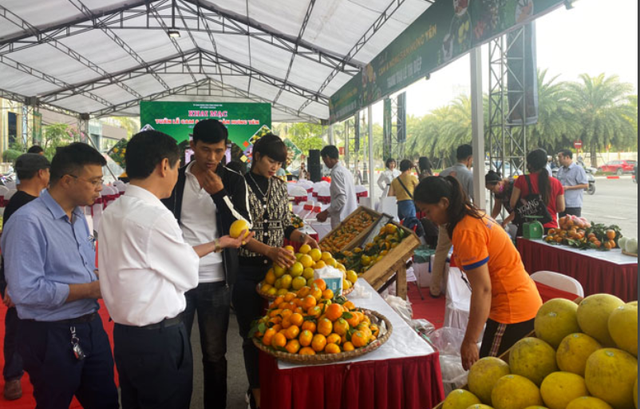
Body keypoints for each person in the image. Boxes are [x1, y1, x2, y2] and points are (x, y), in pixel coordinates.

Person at [99, 130, 250, 409]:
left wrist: (217, 243)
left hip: (126, 334)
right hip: (158, 338)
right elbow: (187, 275)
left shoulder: (113, 211)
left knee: (135, 400)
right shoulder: (157, 216)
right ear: (164, 165)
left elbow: (167, 258)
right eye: (178, 166)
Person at [0, 143, 118, 409]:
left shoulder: (77, 216)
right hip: (51, 334)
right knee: (54, 401)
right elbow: (25, 292)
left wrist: (102, 278)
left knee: (106, 400)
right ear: (67, 180)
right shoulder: (27, 222)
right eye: (95, 181)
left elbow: (78, 269)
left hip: (90, 326)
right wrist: (90, 289)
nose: (100, 187)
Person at [161, 119, 252, 409]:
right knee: (177, 353)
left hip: (216, 279)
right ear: (192, 147)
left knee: (214, 354)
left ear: (226, 149)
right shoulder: (174, 178)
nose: (212, 158)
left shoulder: (234, 179)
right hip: (179, 278)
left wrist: (220, 194)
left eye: (218, 151)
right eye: (205, 150)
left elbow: (244, 227)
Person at [414, 176, 542, 370]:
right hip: (517, 302)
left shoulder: (466, 230)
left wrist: (470, 341)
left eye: (428, 211)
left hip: (512, 309)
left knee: (487, 374)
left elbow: (482, 289)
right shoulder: (470, 215)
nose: (427, 217)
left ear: (444, 203)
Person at [234, 133, 319, 409]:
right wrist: (269, 250)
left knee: (281, 333)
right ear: (256, 156)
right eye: (271, 160)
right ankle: (256, 393)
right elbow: (236, 232)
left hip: (278, 272)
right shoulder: (239, 185)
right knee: (251, 336)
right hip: (246, 270)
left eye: (279, 163)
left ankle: (277, 393)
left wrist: (300, 236)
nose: (275, 167)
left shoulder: (280, 186)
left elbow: (284, 225)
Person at [0, 153, 50, 401]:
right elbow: (9, 248)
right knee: (17, 327)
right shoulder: (20, 204)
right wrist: (10, 284)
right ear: (41, 173)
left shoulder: (34, 200)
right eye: (48, 170)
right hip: (19, 279)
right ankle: (12, 376)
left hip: (36, 276)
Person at [429, 144, 473, 298]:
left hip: (444, 219)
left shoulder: (444, 172)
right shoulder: (469, 175)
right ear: (469, 159)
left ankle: (434, 288)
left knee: (440, 251)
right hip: (463, 220)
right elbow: (474, 201)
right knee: (466, 254)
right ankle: (464, 290)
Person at [510, 148, 565, 232]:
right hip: (550, 227)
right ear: (545, 163)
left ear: (529, 164)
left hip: (528, 227)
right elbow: (561, 208)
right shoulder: (556, 183)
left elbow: (513, 204)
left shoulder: (521, 180)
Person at [316, 145, 358, 229]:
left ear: (327, 157)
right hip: (351, 215)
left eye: (324, 160)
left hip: (342, 219)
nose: (325, 163)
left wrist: (326, 212)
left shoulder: (336, 172)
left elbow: (341, 199)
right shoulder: (346, 171)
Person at [556, 149, 588, 217]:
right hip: (562, 204)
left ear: (567, 157)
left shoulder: (578, 169)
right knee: (562, 225)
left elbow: (585, 185)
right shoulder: (560, 170)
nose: (558, 159)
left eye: (560, 157)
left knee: (573, 226)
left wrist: (568, 187)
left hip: (574, 204)